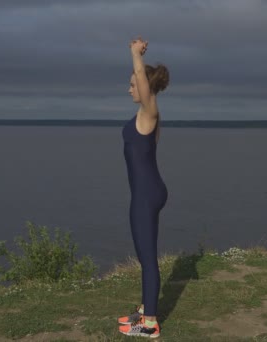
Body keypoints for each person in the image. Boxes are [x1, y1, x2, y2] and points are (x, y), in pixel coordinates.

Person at [117, 35, 169, 338]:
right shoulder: (144, 115)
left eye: (133, 84)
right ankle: (144, 307)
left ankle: (149, 324)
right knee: (143, 254)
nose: (130, 88)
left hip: (146, 195)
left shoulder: (150, 112)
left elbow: (140, 76)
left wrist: (135, 54)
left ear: (145, 87)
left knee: (147, 259)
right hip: (147, 191)